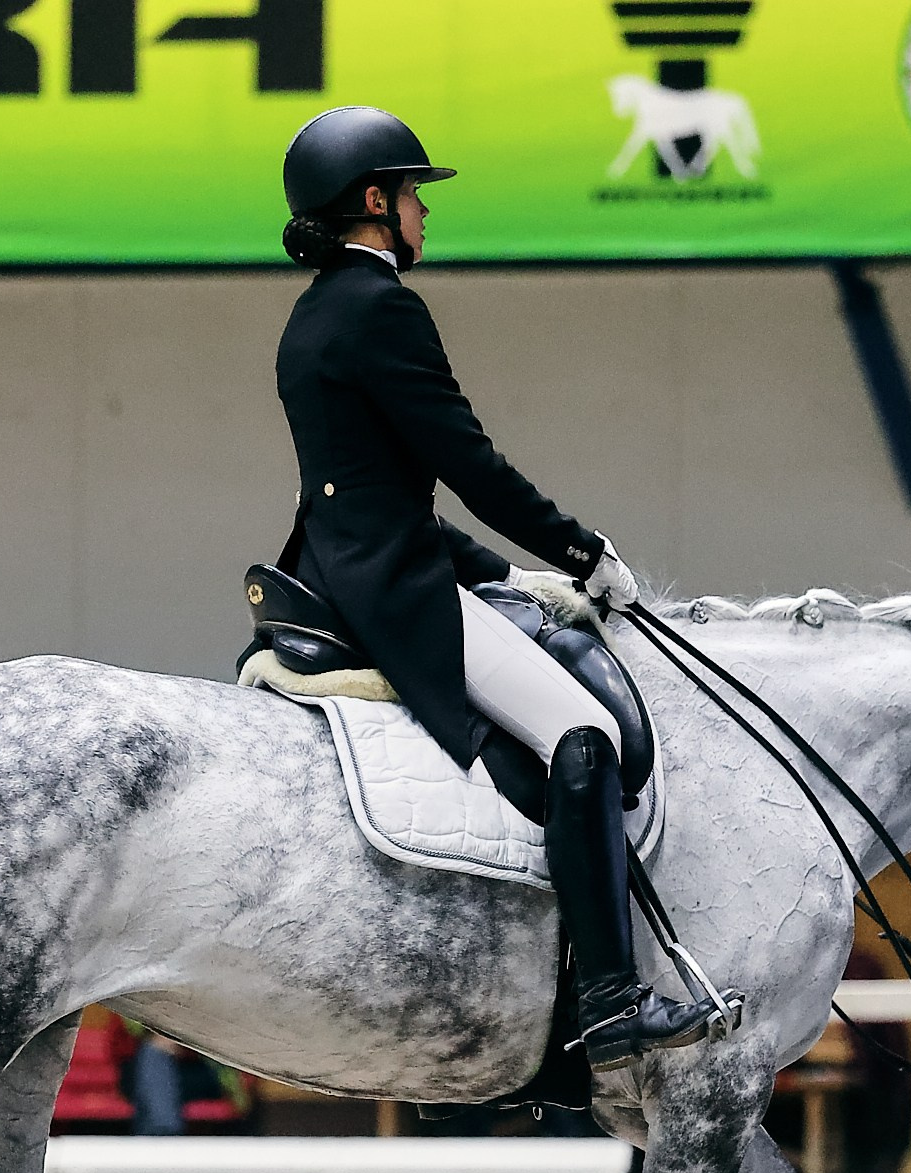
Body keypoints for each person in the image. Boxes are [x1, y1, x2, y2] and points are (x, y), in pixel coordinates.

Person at [270, 105, 717, 1073]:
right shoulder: (383, 307)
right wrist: (582, 550)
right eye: (414, 195)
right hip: (393, 592)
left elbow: (377, 497)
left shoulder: (311, 316)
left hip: (342, 569)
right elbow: (468, 463)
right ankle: (609, 1001)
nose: (425, 213)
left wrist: (510, 575)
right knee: (584, 735)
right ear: (375, 201)